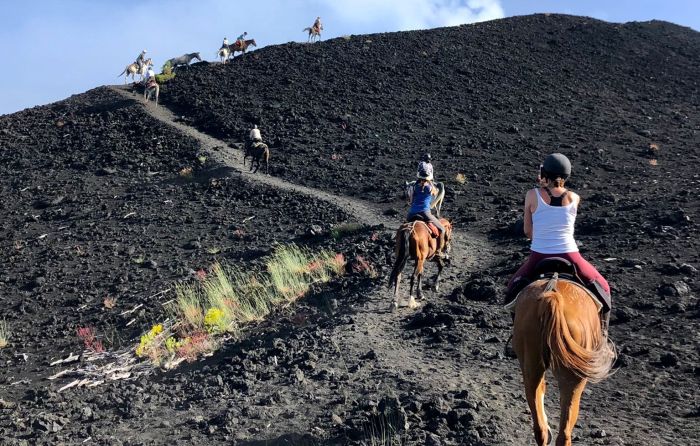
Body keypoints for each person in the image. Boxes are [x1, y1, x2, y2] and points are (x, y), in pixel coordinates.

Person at [504, 153, 611, 333]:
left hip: (538, 256)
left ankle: (516, 334)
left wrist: (540, 236)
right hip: (570, 255)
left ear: (546, 173)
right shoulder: (575, 198)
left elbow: (527, 232)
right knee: (604, 288)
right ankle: (604, 335)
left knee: (512, 289)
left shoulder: (532, 195)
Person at [406, 166, 447, 258]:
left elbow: (410, 197)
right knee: (442, 229)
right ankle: (438, 252)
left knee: (406, 226)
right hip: (424, 213)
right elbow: (437, 194)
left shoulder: (414, 187)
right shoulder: (431, 188)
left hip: (411, 213)